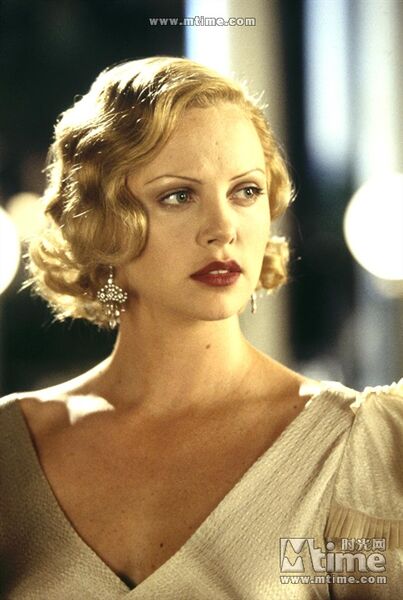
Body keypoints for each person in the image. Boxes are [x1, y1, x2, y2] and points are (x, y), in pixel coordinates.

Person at [0, 56, 402, 600]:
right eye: (179, 196)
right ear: (103, 224)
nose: (222, 228)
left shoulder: (358, 449)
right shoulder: (11, 448)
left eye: (246, 191)